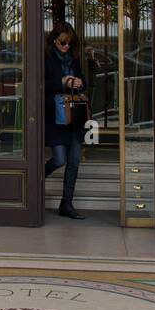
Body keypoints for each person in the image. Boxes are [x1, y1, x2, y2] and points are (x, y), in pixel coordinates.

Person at [45, 22, 87, 219]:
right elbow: (39, 84)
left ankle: (67, 204)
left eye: (69, 43)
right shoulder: (46, 58)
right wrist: (60, 82)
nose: (66, 47)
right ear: (55, 40)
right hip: (55, 116)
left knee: (74, 161)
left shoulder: (74, 59)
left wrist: (78, 82)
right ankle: (32, 184)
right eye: (63, 42)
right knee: (60, 159)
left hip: (74, 116)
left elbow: (83, 82)